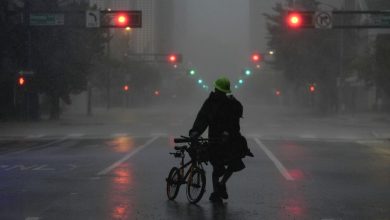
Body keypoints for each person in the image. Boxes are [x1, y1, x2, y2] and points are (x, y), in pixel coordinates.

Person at [189, 76, 253, 203]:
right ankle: (216, 192)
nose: (221, 94)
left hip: (230, 139)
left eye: (223, 92)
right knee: (217, 167)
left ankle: (221, 185)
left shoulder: (232, 103)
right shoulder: (211, 102)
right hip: (215, 139)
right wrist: (195, 131)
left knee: (234, 162)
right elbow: (203, 118)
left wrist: (229, 132)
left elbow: (236, 117)